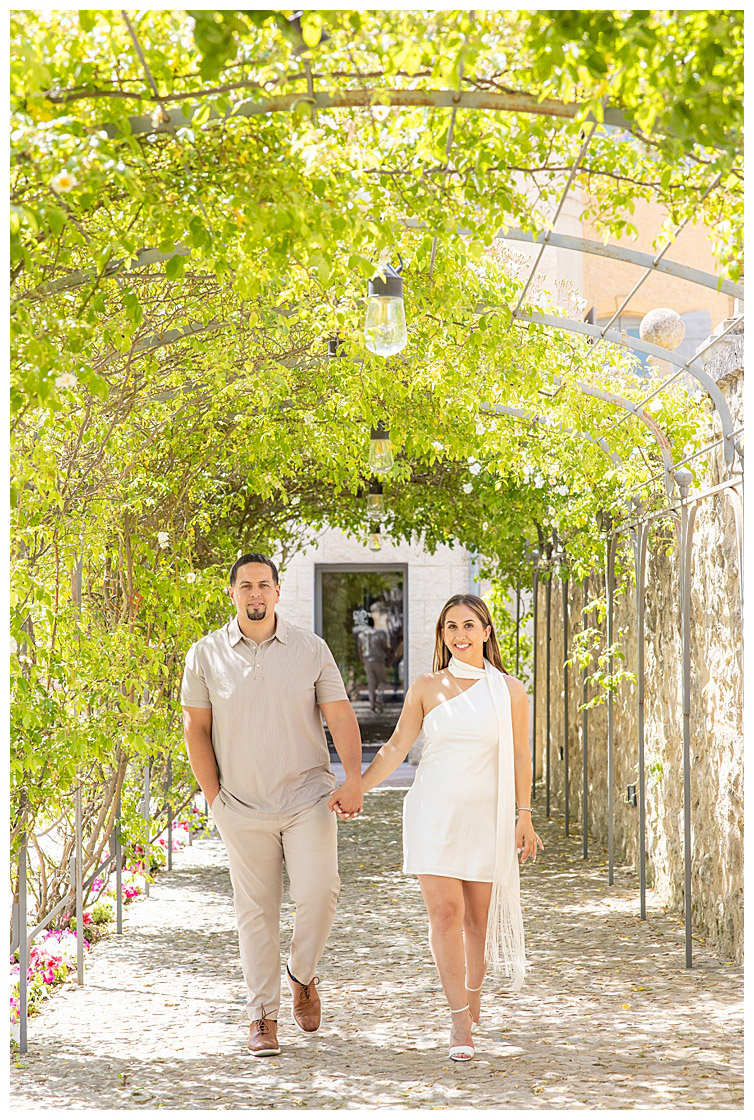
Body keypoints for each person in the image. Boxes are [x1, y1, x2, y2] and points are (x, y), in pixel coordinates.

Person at [330, 593, 542, 1061]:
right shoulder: (427, 686)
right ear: (442, 636)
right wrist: (357, 787)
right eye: (451, 627)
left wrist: (523, 816)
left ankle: (473, 988)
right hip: (432, 813)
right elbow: (395, 747)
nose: (460, 635)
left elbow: (522, 756)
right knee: (445, 914)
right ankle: (459, 1021)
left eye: (469, 625)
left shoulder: (510, 690)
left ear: (487, 632)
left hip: (485, 818)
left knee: (477, 922)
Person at [181, 552, 363, 1057]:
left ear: (278, 592)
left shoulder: (310, 649)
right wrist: (214, 798)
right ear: (232, 593)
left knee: (321, 893)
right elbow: (196, 730)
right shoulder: (205, 655)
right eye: (246, 586)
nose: (255, 594)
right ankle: (262, 1016)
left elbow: (340, 713)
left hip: (307, 797)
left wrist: (354, 780)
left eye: (264, 585)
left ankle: (301, 974)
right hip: (240, 804)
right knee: (255, 913)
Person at [357, 615, 390, 712]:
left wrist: (362, 660)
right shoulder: (379, 634)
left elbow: (360, 650)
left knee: (371, 683)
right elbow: (384, 647)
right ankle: (379, 699)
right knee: (382, 681)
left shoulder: (361, 635)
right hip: (378, 660)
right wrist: (388, 658)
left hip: (367, 660)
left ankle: (372, 704)